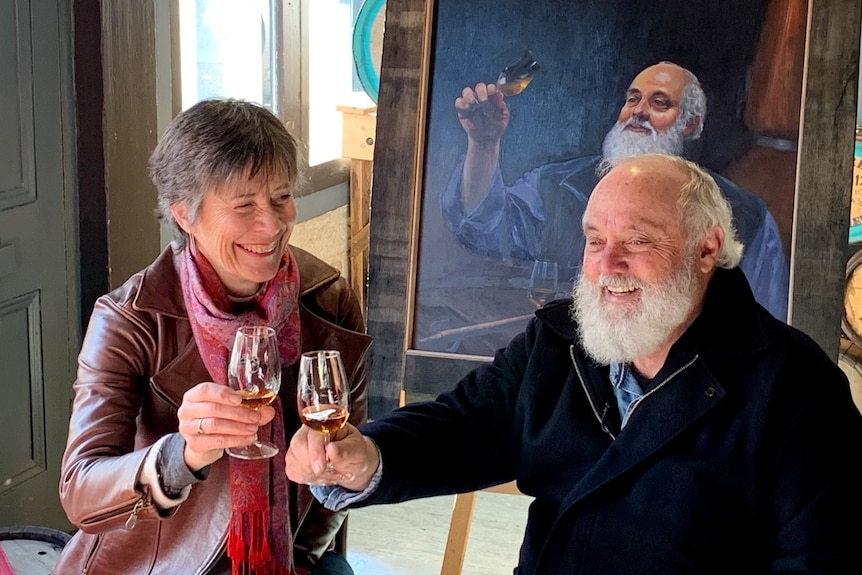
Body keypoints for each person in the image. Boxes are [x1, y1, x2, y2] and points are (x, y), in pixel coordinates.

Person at [286, 154, 862, 574]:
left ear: (707, 249)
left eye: (637, 241)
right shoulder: (560, 340)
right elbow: (467, 425)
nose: (607, 265)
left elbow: (822, 560)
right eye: (593, 240)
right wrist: (366, 456)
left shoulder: (794, 385)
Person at [53, 99, 371, 575]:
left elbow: (344, 455)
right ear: (184, 214)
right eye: (244, 204)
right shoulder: (130, 316)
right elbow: (80, 489)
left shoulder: (328, 300)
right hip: (154, 565)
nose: (272, 223)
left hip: (286, 557)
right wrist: (184, 454)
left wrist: (301, 555)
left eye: (281, 196)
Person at [443, 61, 789, 321]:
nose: (638, 111)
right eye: (633, 99)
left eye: (659, 103)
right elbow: (481, 229)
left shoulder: (745, 215)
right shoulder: (555, 185)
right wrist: (484, 145)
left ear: (691, 124)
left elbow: (764, 328)